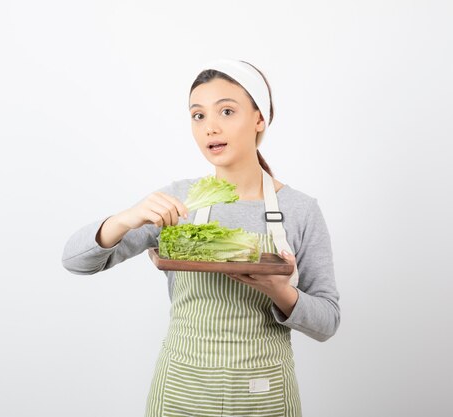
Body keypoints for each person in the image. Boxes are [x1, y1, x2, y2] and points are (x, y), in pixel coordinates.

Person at [62, 58, 340, 417]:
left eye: (226, 111)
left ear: (259, 119)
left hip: (263, 393)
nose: (210, 127)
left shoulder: (299, 209)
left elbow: (328, 322)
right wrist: (126, 218)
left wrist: (280, 291)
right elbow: (75, 261)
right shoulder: (177, 202)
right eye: (198, 115)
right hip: (181, 390)